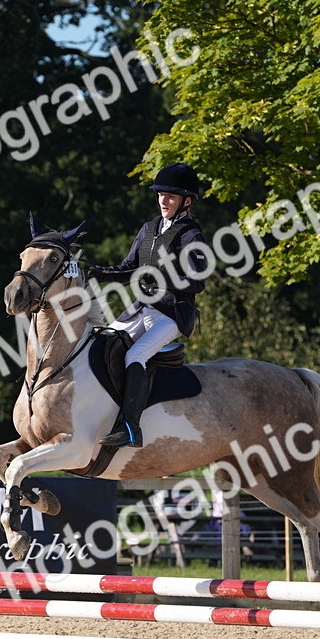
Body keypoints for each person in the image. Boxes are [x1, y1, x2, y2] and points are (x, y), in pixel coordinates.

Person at [87, 162, 210, 448]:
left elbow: (197, 281)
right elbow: (129, 268)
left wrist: (162, 279)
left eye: (170, 197)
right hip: (140, 308)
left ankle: (131, 427)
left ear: (186, 202)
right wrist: (103, 273)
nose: (163, 201)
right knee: (102, 343)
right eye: (160, 195)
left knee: (135, 355)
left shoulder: (191, 235)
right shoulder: (149, 228)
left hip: (170, 315)